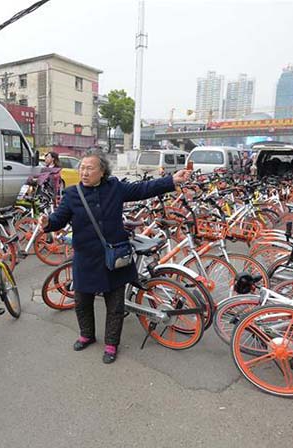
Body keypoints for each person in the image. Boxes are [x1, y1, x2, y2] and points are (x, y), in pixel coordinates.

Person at [38, 150, 188, 364]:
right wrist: (48, 224)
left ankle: (111, 344)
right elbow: (59, 219)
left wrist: (171, 180)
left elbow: (142, 189)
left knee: (115, 304)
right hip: (86, 257)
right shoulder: (72, 194)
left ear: (102, 172)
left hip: (114, 255)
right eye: (82, 168)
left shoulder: (114, 188)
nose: (84, 172)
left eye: (90, 168)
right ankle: (86, 335)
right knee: (82, 301)